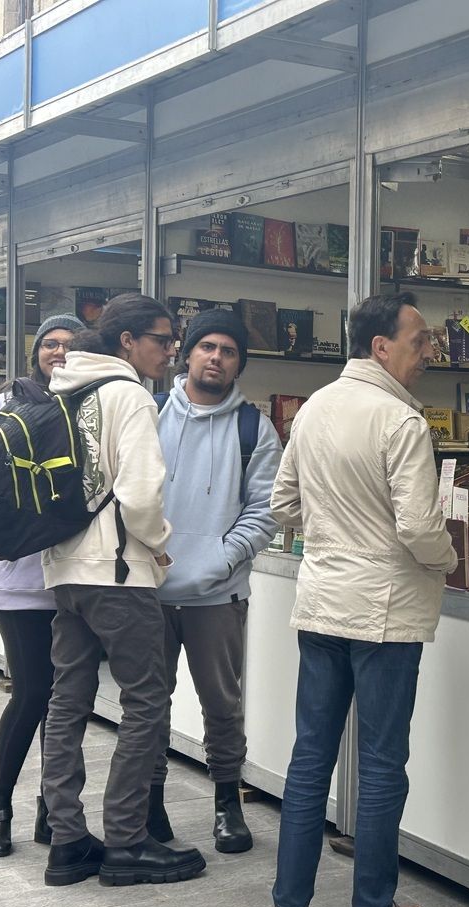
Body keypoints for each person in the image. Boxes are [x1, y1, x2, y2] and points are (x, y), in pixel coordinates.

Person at [270, 292, 457, 907]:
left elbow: (283, 504)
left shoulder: (314, 408)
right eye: (418, 341)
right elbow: (416, 526)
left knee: (309, 757)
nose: (427, 352)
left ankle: (288, 906)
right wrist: (448, 558)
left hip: (321, 602)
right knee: (380, 763)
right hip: (385, 614)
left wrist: (330, 537)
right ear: (380, 347)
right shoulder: (400, 422)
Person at [40, 293, 207, 888]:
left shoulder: (61, 390)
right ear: (127, 342)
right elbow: (139, 494)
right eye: (163, 340)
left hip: (65, 573)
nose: (172, 352)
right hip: (118, 574)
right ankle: (128, 841)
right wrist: (159, 541)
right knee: (145, 703)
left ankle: (66, 843)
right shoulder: (130, 394)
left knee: (67, 702)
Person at [150, 309, 282, 854]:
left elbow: (266, 510)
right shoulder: (149, 413)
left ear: (238, 366)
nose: (216, 358)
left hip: (217, 595)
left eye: (228, 352)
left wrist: (220, 561)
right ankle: (149, 801)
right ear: (187, 353)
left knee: (222, 705)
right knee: (148, 704)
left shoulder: (255, 429)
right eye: (207, 347)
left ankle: (228, 804)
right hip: (148, 591)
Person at [0, 316, 85, 858]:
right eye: (50, 344)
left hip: (73, 577)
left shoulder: (90, 404)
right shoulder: (4, 404)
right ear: (36, 351)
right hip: (19, 578)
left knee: (65, 699)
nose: (59, 352)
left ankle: (53, 810)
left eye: (70, 344)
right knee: (34, 691)